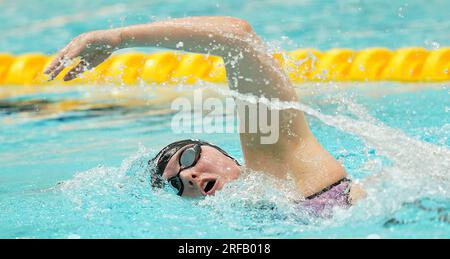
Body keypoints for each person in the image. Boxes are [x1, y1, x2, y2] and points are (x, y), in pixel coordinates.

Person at [45, 16, 364, 215]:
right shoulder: (241, 227)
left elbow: (239, 38)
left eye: (187, 159)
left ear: (220, 152)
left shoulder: (275, 158)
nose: (187, 176)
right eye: (175, 184)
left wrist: (120, 39)